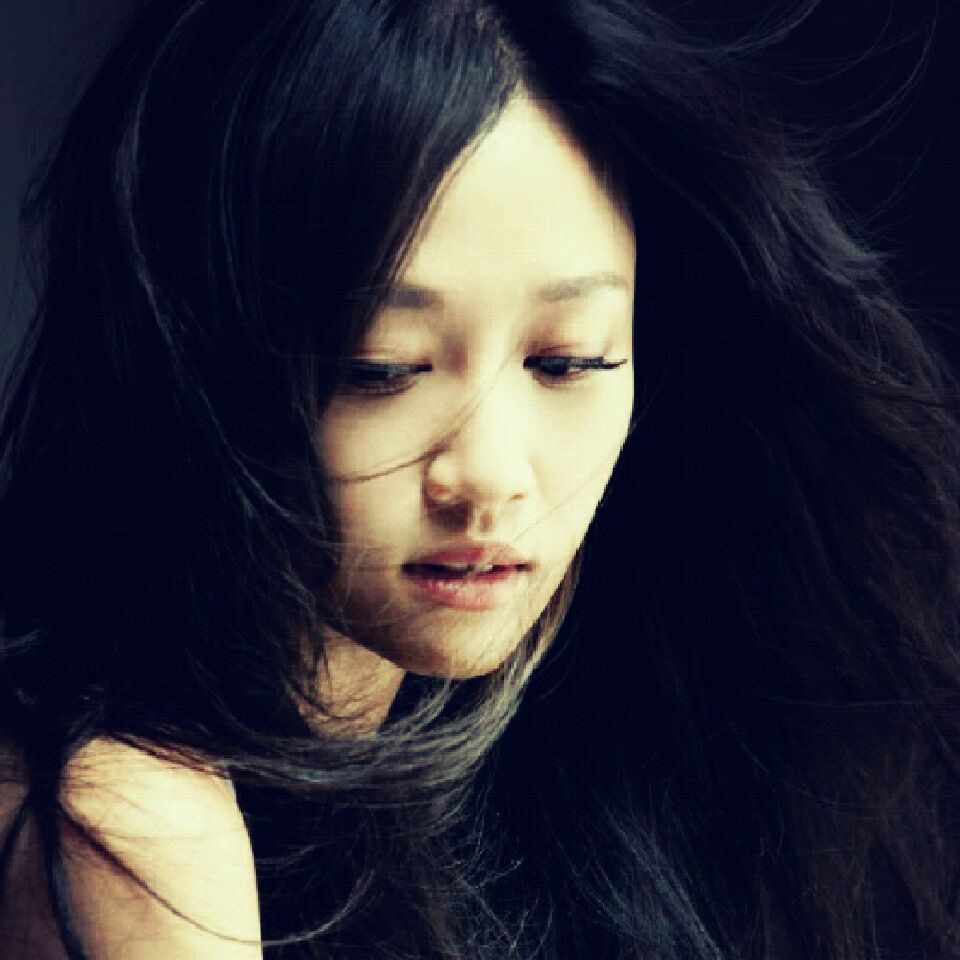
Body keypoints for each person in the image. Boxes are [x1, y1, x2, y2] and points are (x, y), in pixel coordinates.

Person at [1, 1, 958, 957]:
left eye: (569, 361)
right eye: (384, 368)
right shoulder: (126, 826)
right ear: (192, 357)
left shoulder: (620, 752)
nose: (490, 479)